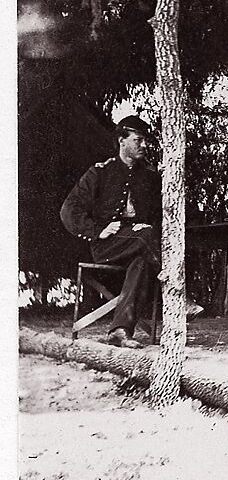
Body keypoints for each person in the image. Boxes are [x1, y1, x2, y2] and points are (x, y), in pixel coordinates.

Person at [60, 115, 162, 348]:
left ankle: (119, 330)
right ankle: (176, 290)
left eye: (145, 141)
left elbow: (159, 215)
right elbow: (69, 210)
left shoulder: (150, 176)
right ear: (121, 141)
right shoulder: (100, 173)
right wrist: (97, 231)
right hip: (107, 246)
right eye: (138, 140)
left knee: (142, 263)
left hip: (140, 245)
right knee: (146, 237)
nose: (144, 145)